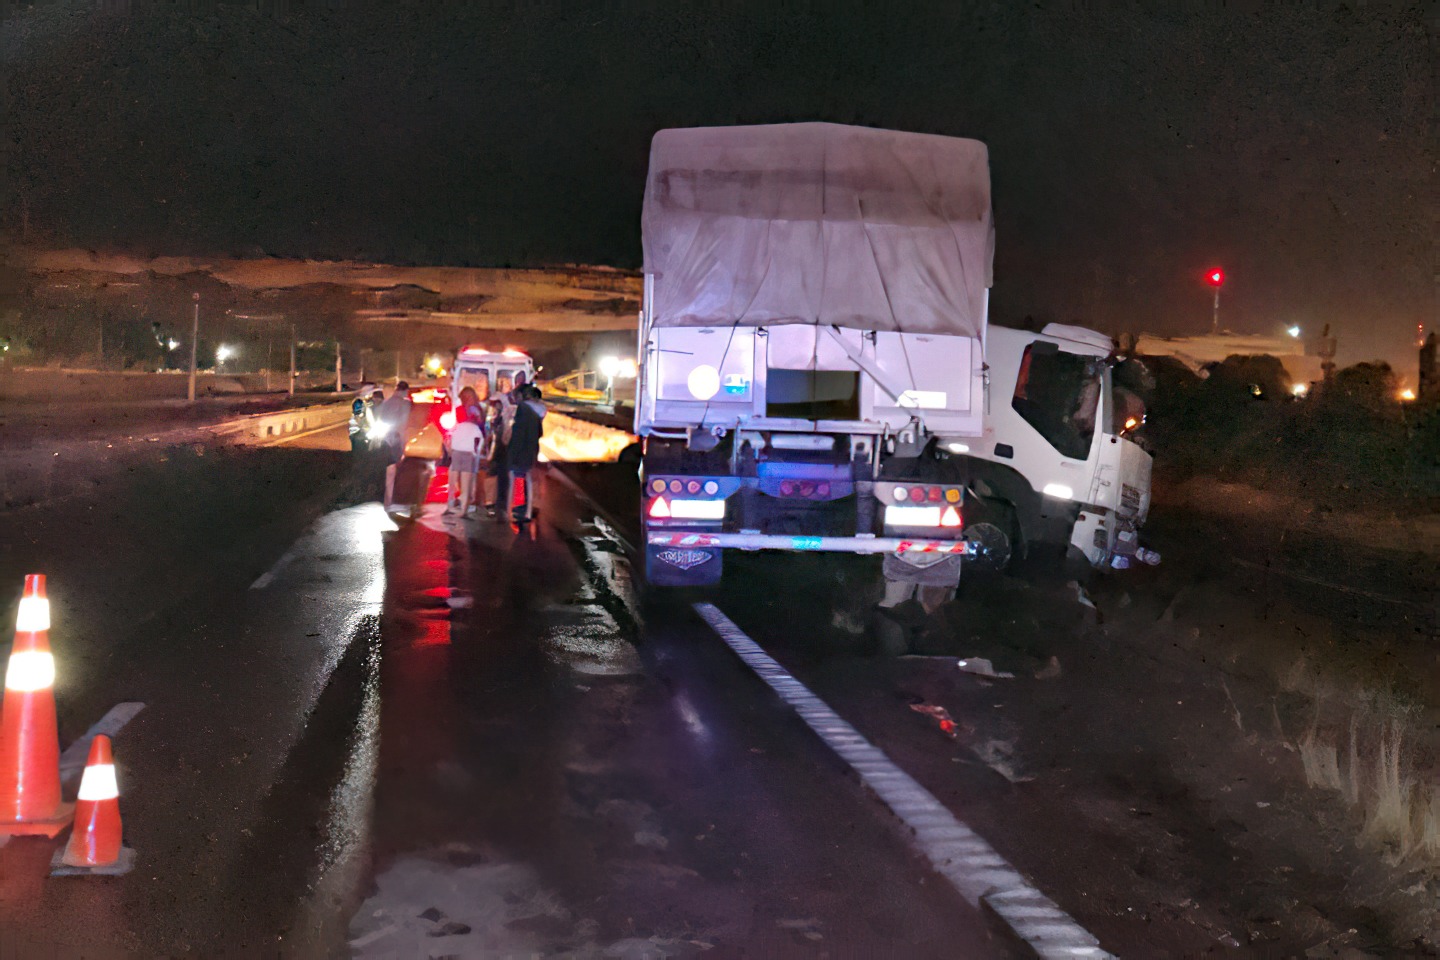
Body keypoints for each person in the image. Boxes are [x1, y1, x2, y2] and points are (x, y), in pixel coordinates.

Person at [506, 383, 547, 523]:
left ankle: (511, 511)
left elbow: (518, 433)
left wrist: (511, 453)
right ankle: (526, 511)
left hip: (521, 450)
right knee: (527, 479)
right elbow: (540, 433)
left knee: (514, 479)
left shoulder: (523, 409)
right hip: (531, 450)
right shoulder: (539, 412)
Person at [376, 381, 413, 510]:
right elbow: (403, 424)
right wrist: (404, 443)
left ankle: (386, 500)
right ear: (405, 391)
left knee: (387, 469)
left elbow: (377, 420)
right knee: (392, 470)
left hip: (383, 438)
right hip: (395, 438)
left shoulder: (385, 403)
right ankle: (389, 501)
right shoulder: (405, 404)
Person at [444, 406, 484, 517]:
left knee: (452, 482)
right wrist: (477, 454)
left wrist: (450, 452)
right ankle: (463, 510)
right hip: (468, 455)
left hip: (456, 453)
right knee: (465, 484)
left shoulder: (457, 427)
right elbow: (481, 442)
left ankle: (450, 505)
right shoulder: (475, 428)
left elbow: (449, 442)